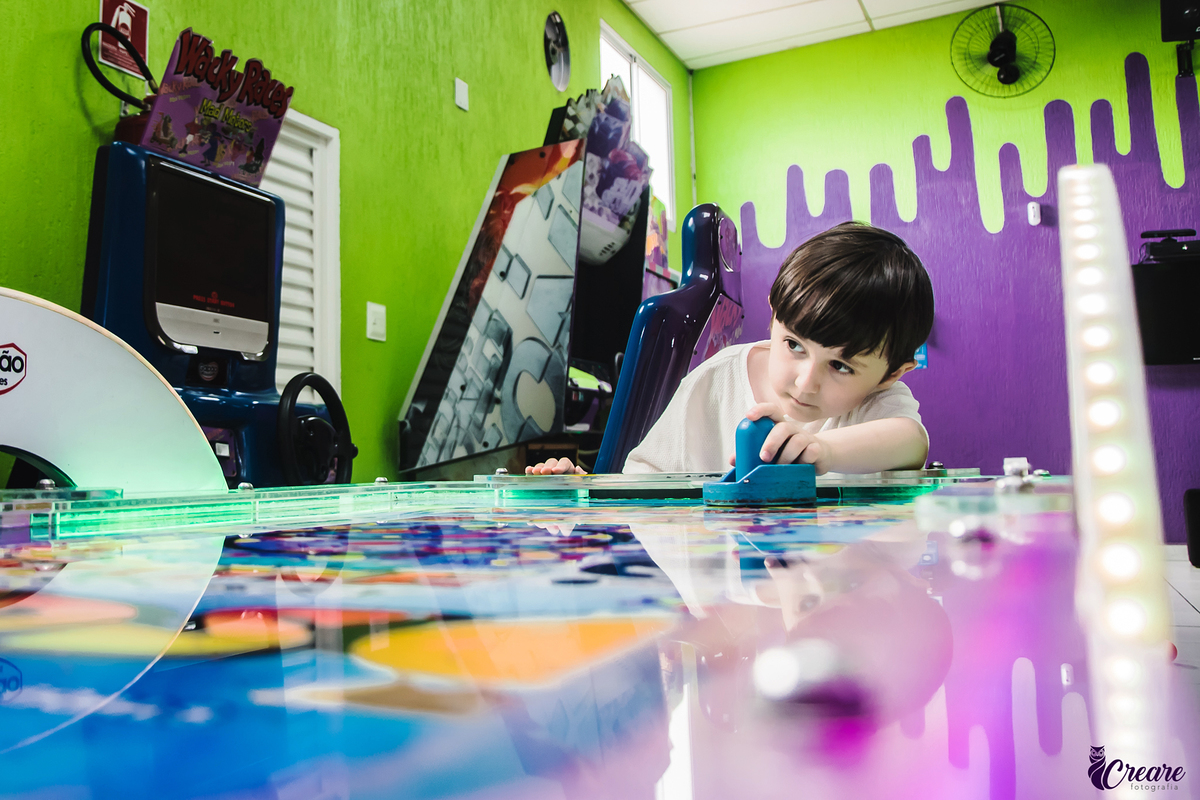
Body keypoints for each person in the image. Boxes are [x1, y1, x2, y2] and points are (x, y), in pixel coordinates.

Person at [526, 221, 935, 476]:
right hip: (723, 601)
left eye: (841, 366)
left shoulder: (876, 401)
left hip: (831, 601)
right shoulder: (717, 378)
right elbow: (643, 478)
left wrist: (824, 450)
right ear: (774, 317)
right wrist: (584, 488)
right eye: (793, 344)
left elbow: (910, 441)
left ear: (892, 373)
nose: (805, 382)